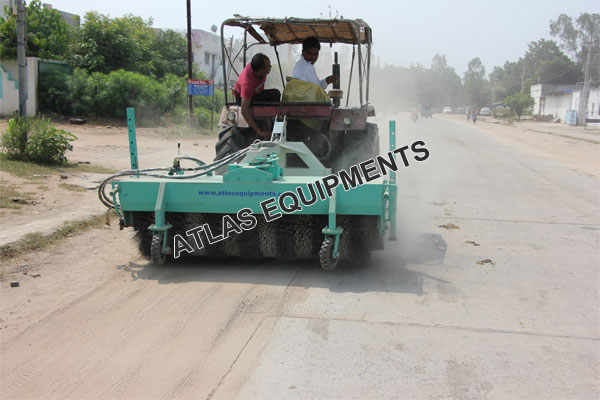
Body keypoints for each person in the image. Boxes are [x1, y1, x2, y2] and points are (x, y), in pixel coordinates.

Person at [233, 53, 280, 138]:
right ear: (260, 70)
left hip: (255, 94)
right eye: (268, 67)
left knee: (275, 94)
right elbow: (244, 109)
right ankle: (265, 130)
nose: (270, 68)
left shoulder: (260, 72)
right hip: (241, 97)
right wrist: (259, 131)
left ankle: (274, 125)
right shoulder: (247, 83)